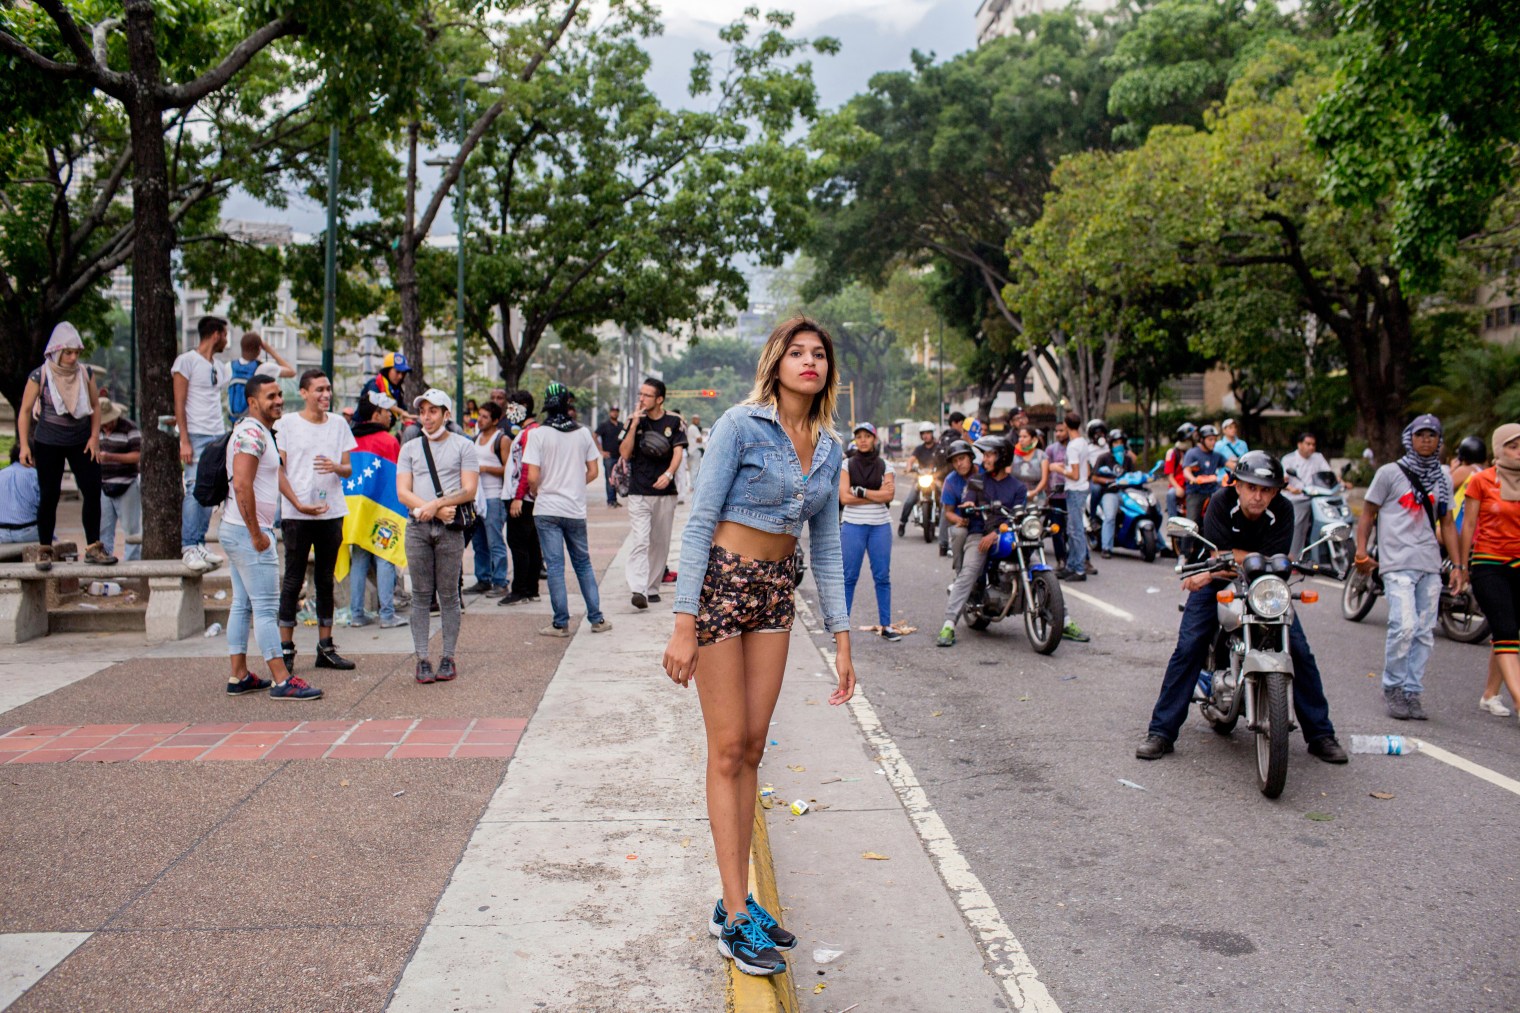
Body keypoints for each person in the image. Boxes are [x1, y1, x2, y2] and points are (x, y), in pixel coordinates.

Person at [662, 315, 853, 979]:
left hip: (775, 591)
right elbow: (699, 524)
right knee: (726, 745)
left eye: (819, 354)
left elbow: (827, 547)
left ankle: (736, 903)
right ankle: (735, 910)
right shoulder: (741, 426)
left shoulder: (829, 447)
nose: (810, 362)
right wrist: (683, 621)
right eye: (797, 352)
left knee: (752, 744)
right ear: (776, 363)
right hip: (722, 583)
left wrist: (842, 636)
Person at [1135, 450, 1347, 763]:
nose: (1258, 496)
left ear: (1275, 491)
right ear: (1238, 486)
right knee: (1190, 645)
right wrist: (1230, 563)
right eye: (1252, 488)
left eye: (1266, 490)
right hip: (1216, 578)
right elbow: (1222, 557)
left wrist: (1247, 558)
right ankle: (1161, 732)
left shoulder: (1283, 510)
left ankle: (1320, 735)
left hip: (1263, 585)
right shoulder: (1221, 502)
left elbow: (1275, 563)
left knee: (1300, 651)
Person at [222, 374, 326, 700]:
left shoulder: (262, 432)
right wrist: (256, 534)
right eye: (271, 396)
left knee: (242, 604)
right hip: (248, 532)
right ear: (253, 402)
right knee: (266, 609)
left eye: (280, 394)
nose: (279, 400)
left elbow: (275, 473)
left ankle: (239, 675)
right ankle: (282, 679)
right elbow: (241, 484)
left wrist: (298, 504)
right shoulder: (251, 434)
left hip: (238, 529)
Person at [1354, 415, 1462, 721]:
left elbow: (1448, 524)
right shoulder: (1390, 473)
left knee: (1425, 631)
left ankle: (1413, 691)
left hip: (1429, 563)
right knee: (1404, 625)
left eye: (1432, 435)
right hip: (1397, 562)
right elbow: (1368, 514)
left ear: (1440, 441)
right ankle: (1393, 687)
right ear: (1409, 438)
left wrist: (1457, 566)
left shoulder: (1443, 478)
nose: (1426, 440)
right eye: (1420, 434)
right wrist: (1361, 551)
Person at [272, 369, 357, 673]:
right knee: (293, 579)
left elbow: (348, 468)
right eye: (319, 389)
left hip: (331, 510)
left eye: (328, 389)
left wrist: (337, 466)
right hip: (297, 513)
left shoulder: (338, 424)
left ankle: (326, 646)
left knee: (325, 579)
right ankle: (285, 648)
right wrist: (296, 503)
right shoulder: (286, 425)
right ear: (304, 392)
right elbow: (278, 469)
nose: (325, 395)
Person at [397, 389, 479, 684]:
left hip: (450, 528)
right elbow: (403, 491)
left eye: (434, 411)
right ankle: (422, 658)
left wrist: (438, 505)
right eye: (423, 411)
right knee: (419, 595)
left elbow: (469, 489)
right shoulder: (410, 448)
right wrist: (430, 509)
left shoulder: (463, 446)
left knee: (448, 595)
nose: (427, 417)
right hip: (417, 527)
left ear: (447, 414)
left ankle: (448, 656)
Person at [17, 322, 114, 569]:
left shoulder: (85, 373)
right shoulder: (40, 375)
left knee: (92, 491)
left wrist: (94, 437)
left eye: (76, 353)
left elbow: (94, 407)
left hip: (81, 440)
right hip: (48, 441)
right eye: (68, 353)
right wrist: (25, 447)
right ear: (57, 352)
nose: (72, 358)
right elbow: (25, 411)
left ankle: (94, 547)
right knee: (49, 495)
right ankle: (45, 549)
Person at [524, 382, 612, 637]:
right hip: (574, 510)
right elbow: (594, 471)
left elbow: (532, 476)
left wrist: (538, 490)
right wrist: (574, 484)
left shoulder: (538, 434)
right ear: (568, 404)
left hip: (547, 509)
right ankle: (597, 619)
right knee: (583, 564)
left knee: (555, 566)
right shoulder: (583, 433)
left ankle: (560, 624)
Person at [937, 436, 1028, 646]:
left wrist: (997, 533)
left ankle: (1065, 620)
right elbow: (967, 499)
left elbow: (1019, 514)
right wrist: (968, 504)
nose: (984, 459)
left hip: (1007, 534)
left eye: (989, 454)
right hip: (978, 535)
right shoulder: (976, 481)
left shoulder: (1018, 487)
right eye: (984, 454)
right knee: (968, 572)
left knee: (1034, 563)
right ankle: (949, 624)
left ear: (1001, 457)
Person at [1457, 424, 1520, 723]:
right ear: (1498, 448)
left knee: (1507, 629)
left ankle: (1490, 695)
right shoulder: (1482, 481)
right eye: (1513, 446)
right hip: (1488, 562)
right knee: (1506, 631)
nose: (1519, 452)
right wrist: (1461, 567)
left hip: (1518, 564)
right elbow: (1468, 525)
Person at [620, 377, 687, 609]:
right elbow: (625, 453)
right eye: (641, 394)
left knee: (660, 542)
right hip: (639, 491)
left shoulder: (674, 422)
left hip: (665, 492)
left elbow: (678, 452)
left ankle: (652, 587)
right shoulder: (633, 421)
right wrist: (633, 426)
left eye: (647, 395)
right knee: (640, 539)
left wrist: (668, 474)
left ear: (659, 399)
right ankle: (638, 588)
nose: (642, 399)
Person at [174, 316, 231, 572]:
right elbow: (179, 402)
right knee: (194, 487)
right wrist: (184, 439)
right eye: (225, 335)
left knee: (210, 490)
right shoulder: (186, 361)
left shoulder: (217, 366)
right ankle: (188, 546)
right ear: (216, 334)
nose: (227, 340)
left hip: (216, 434)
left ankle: (199, 543)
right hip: (195, 434)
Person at [348, 391, 407, 629]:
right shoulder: (388, 441)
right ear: (376, 414)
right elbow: (397, 477)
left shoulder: (350, 439)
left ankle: (356, 614)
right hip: (383, 509)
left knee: (359, 560)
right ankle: (386, 614)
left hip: (356, 510)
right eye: (386, 412)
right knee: (385, 558)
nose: (390, 416)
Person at [840, 422, 897, 641]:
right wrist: (875, 494)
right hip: (853, 526)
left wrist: (861, 492)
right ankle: (841, 629)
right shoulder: (847, 465)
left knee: (882, 577)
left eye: (867, 436)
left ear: (874, 439)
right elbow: (844, 498)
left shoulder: (886, 465)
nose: (863, 440)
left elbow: (889, 497)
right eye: (859, 436)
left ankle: (886, 626)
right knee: (849, 577)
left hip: (880, 526)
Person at [498, 390, 543, 607]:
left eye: (512, 407)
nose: (509, 411)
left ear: (524, 405)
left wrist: (518, 497)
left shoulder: (530, 433)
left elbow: (527, 466)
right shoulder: (528, 431)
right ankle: (531, 588)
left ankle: (521, 590)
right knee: (531, 544)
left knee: (519, 544)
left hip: (521, 499)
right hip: (524, 497)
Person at [467, 402, 509, 595]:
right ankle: (483, 578)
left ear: (495, 420)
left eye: (485, 417)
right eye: (480, 416)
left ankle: (500, 580)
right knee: (479, 542)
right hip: (477, 498)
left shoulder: (501, 439)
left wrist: (485, 469)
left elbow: (508, 470)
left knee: (495, 541)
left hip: (494, 496)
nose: (480, 420)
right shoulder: (475, 439)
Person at [97, 398, 142, 561]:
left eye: (109, 421)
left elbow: (137, 455)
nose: (106, 425)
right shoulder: (95, 430)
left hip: (126, 484)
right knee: (104, 529)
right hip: (104, 485)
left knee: (131, 530)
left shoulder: (129, 428)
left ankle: (132, 564)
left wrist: (111, 457)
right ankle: (105, 562)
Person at [1282, 431, 1335, 559]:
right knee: (1298, 525)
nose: (1311, 447)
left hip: (1316, 498)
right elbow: (1283, 480)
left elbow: (1328, 474)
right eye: (1308, 444)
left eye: (1313, 444)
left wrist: (1341, 482)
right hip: (1297, 498)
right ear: (1299, 444)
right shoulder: (1289, 459)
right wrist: (1291, 488)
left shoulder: (1318, 457)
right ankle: (1294, 557)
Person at [227, 331, 294, 421]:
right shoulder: (264, 368)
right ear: (259, 349)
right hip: (254, 419)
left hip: (234, 420)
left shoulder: (230, 366)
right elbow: (291, 372)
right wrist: (271, 351)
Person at [1094, 428, 1138, 558]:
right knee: (1110, 516)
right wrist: (1109, 481)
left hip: (1126, 492)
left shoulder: (1128, 459)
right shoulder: (1103, 458)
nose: (1119, 445)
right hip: (1110, 492)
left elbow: (1132, 475)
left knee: (1143, 510)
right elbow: (1095, 478)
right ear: (1110, 444)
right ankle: (1106, 547)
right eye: (1116, 443)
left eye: (1121, 442)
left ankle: (1160, 545)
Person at [1058, 411, 1092, 581]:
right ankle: (1072, 565)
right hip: (1081, 488)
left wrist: (1058, 469)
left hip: (1075, 489)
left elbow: (1075, 474)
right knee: (1073, 530)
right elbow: (1086, 468)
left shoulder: (1072, 446)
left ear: (1066, 424)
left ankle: (1079, 568)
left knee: (1075, 530)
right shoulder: (1082, 442)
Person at [940, 440, 977, 572]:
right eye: (955, 461)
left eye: (962, 458)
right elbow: (948, 512)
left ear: (971, 457)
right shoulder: (950, 480)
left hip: (985, 521)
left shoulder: (983, 473)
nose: (959, 464)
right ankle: (960, 573)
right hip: (963, 522)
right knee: (960, 533)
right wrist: (959, 520)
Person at [897, 423, 939, 537]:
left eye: (928, 433)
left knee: (945, 499)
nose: (926, 435)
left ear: (932, 433)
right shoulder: (919, 449)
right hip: (921, 478)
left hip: (935, 479)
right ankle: (902, 522)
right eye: (923, 433)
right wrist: (909, 467)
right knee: (910, 500)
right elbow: (911, 460)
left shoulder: (938, 447)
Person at [0, 445, 40, 545]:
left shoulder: (1, 474)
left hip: (2, 534)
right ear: (32, 458)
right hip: (29, 533)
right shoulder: (35, 475)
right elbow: (45, 507)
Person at [1046, 418, 1069, 568]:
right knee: (1056, 528)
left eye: (1062, 430)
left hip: (1070, 495)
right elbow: (1046, 471)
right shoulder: (1051, 450)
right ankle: (1061, 559)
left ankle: (1073, 558)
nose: (1059, 434)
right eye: (1057, 431)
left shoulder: (1073, 448)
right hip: (1055, 496)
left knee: (1070, 529)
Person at [1162, 423, 1196, 523]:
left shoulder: (1196, 451)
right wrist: (1177, 488)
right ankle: (1173, 522)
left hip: (1193, 485)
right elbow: (1170, 476)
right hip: (1178, 485)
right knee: (1171, 494)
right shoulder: (1173, 452)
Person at [1010, 425, 1049, 504]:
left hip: (1037, 498)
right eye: (1020, 436)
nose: (1021, 439)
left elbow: (1044, 480)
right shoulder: (1013, 455)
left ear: (1033, 439)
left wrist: (1034, 492)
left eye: (1025, 437)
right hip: (1017, 496)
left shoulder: (1041, 455)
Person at [595, 406, 624, 507]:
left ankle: (614, 499)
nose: (615, 413)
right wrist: (601, 451)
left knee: (618, 479)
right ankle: (610, 500)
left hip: (620, 456)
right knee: (610, 478)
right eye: (613, 411)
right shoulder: (604, 425)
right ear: (610, 413)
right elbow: (594, 435)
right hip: (609, 456)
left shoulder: (621, 425)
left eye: (616, 412)